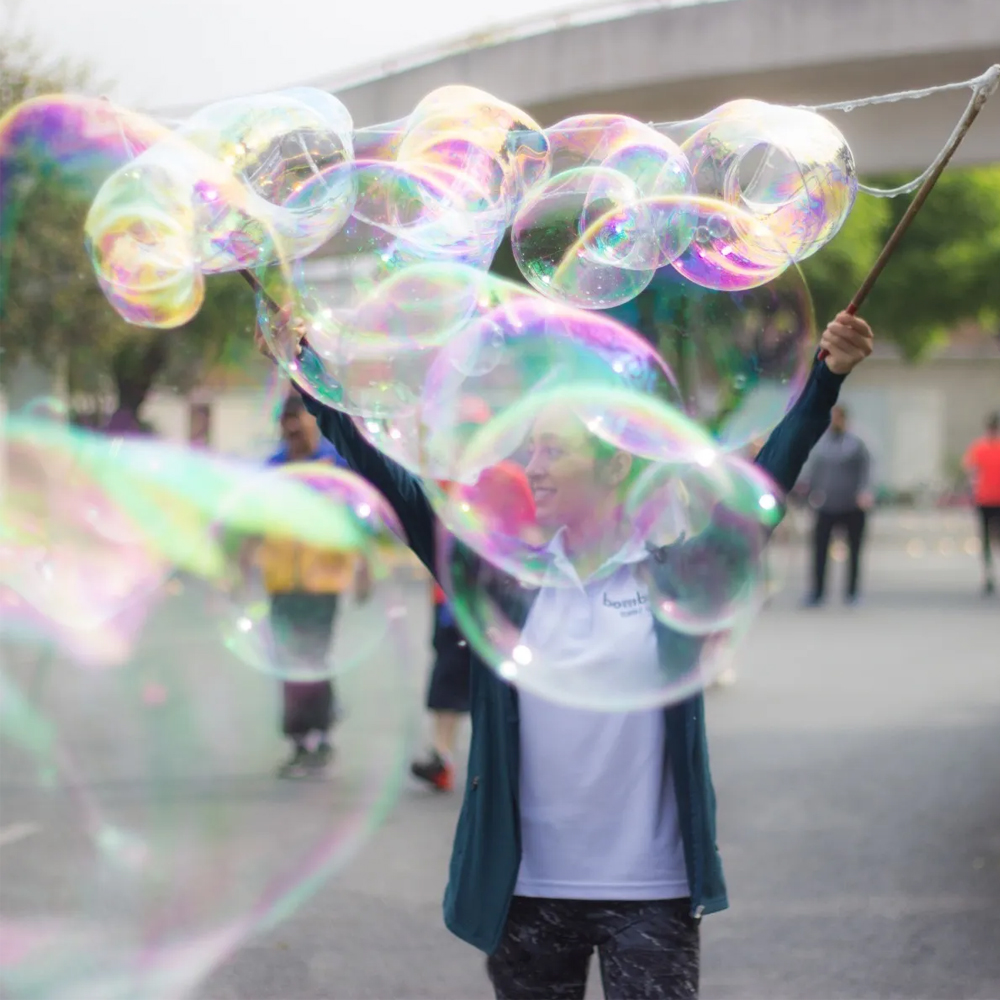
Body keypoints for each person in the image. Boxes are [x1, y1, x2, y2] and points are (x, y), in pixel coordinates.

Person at [256, 311, 873, 998]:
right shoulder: (502, 576)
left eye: (554, 451)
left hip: (654, 895)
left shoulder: (675, 578)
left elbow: (765, 488)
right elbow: (391, 476)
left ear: (614, 463)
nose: (533, 466)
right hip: (527, 895)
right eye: (532, 448)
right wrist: (308, 372)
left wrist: (825, 377)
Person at [260, 393, 370, 778]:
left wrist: (364, 567)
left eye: (297, 421)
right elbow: (253, 521)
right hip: (281, 580)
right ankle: (299, 739)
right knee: (287, 659)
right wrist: (239, 565)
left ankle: (318, 736)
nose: (291, 430)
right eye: (285, 423)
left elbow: (359, 519)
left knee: (312, 656)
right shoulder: (273, 467)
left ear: (311, 422)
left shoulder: (332, 464)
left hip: (323, 580)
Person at [411, 462, 536, 792]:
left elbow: (530, 530)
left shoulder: (507, 477)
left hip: (492, 599)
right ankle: (442, 758)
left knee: (493, 685)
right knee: (447, 679)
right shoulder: (445, 480)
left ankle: (491, 764)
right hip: (452, 601)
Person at [799, 404, 873, 607]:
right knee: (819, 551)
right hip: (826, 505)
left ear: (844, 420)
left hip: (852, 505)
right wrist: (808, 494)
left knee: (854, 551)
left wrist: (864, 492)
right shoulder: (821, 445)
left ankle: (852, 592)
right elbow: (813, 472)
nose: (834, 422)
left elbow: (866, 470)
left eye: (837, 418)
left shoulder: (856, 444)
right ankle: (817, 592)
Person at [963, 411, 1000, 595]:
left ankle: (988, 574)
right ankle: (989, 574)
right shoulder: (982, 447)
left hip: (985, 498)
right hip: (991, 498)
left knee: (986, 538)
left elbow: (972, 473)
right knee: (992, 538)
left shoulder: (979, 447)